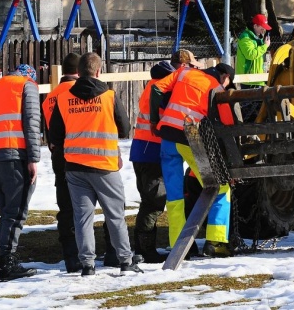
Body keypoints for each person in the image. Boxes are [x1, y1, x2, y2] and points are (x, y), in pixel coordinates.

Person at [49, 52, 141, 276]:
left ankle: (87, 264)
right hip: (104, 165)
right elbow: (125, 128)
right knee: (115, 215)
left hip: (75, 167)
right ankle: (125, 261)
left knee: (82, 218)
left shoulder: (63, 98)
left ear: (77, 73)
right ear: (99, 71)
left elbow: (55, 136)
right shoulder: (109, 96)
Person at [151, 61, 236, 258]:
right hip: (189, 140)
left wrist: (155, 120)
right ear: (225, 77)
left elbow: (156, 89)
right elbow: (228, 123)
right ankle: (216, 242)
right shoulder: (215, 87)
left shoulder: (183, 72)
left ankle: (179, 245)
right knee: (220, 187)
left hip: (167, 139)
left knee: (174, 197)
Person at [0, 64, 41, 282]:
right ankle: (7, 265)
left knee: (6, 211)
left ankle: (6, 261)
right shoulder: (27, 86)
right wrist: (34, 158)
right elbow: (32, 123)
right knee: (16, 212)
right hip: (17, 154)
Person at [128, 59, 177, 264]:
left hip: (142, 149)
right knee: (153, 202)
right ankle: (145, 250)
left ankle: (143, 248)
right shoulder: (160, 92)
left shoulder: (150, 88)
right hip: (151, 151)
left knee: (150, 201)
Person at [42, 52, 83, 272]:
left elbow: (50, 130)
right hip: (81, 152)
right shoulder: (77, 91)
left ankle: (70, 255)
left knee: (65, 205)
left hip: (58, 153)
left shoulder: (50, 96)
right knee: (85, 206)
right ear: (79, 72)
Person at [235, 13, 272, 87]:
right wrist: (265, 46)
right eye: (262, 28)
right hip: (248, 80)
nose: (263, 30)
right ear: (255, 26)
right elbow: (251, 55)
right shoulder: (245, 38)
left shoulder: (258, 38)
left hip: (257, 80)